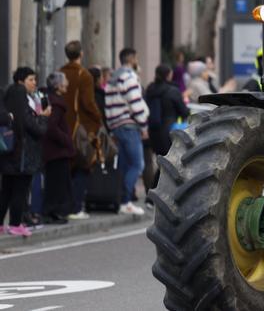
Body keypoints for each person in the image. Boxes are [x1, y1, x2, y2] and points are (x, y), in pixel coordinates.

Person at [1, 68, 49, 237]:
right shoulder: (22, 97)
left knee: (6, 189)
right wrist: (43, 117)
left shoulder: (8, 96)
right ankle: (15, 224)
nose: (34, 83)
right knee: (20, 189)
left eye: (35, 79)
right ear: (21, 81)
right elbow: (33, 127)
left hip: (10, 150)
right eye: (31, 79)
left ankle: (1, 224)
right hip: (23, 153)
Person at [105, 48, 148, 216]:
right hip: (129, 126)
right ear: (132, 59)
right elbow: (135, 103)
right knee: (138, 165)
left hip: (116, 125)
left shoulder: (112, 79)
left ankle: (120, 200)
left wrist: (111, 126)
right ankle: (126, 201)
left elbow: (108, 106)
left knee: (123, 165)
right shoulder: (129, 77)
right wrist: (143, 126)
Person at [61, 41, 102, 220]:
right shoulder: (84, 74)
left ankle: (65, 206)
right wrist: (97, 118)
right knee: (83, 166)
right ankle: (76, 207)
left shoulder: (60, 72)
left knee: (66, 168)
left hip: (62, 127)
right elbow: (88, 103)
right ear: (81, 54)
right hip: (80, 128)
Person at [40, 72, 73, 225]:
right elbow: (52, 127)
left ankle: (53, 212)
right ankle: (50, 212)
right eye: (65, 80)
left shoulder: (52, 100)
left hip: (53, 150)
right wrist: (66, 139)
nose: (67, 83)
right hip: (57, 151)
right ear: (58, 85)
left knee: (56, 182)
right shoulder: (57, 104)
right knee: (56, 183)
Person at [145, 65, 187, 174]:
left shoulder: (150, 90)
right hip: (169, 131)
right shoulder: (173, 91)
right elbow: (184, 112)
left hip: (152, 131)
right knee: (170, 166)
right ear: (168, 75)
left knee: (159, 164)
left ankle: (155, 187)